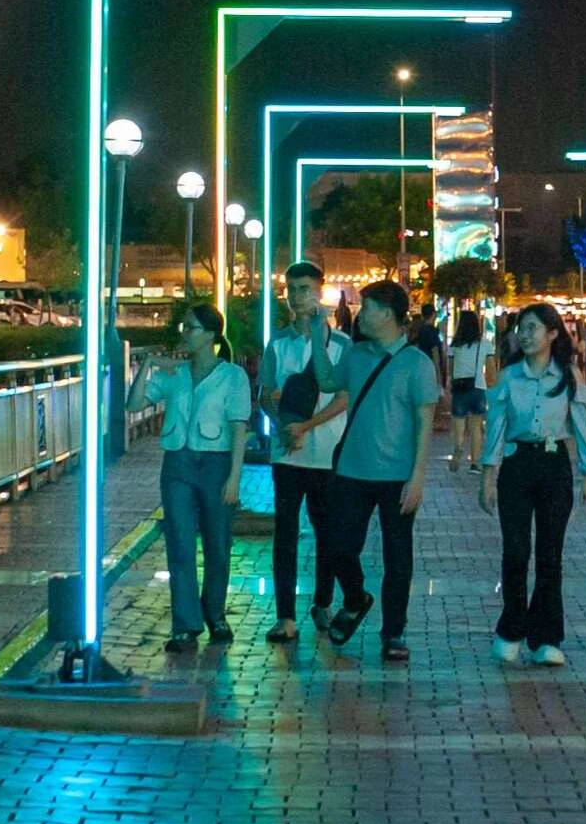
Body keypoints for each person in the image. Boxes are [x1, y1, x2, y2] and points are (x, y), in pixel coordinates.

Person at [307, 279, 440, 663]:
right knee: (338, 547)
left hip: (397, 476)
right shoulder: (356, 354)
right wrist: (319, 337)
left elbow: (424, 424)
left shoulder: (417, 364)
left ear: (387, 314)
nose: (361, 315)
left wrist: (418, 478)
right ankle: (355, 598)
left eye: (367, 308)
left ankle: (393, 632)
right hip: (352, 470)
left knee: (398, 558)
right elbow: (328, 381)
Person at [479, 303, 586, 668]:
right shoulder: (508, 377)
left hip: (554, 467)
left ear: (552, 334)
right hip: (517, 465)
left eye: (533, 328)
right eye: (521, 328)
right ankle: (511, 629)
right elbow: (496, 428)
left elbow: (582, 425)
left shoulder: (569, 376)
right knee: (515, 551)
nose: (525, 335)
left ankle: (546, 636)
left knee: (550, 555)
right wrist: (488, 475)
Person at [127, 304, 251, 652]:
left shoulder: (232, 376)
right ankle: (185, 624)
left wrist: (234, 479)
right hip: (178, 464)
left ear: (212, 335)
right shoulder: (175, 375)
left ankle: (215, 614)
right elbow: (133, 405)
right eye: (185, 326)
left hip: (216, 465)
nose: (185, 333)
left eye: (193, 328)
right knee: (179, 543)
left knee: (217, 543)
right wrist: (149, 366)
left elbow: (239, 428)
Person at [257, 262, 349, 644]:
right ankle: (285, 617)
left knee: (328, 532)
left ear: (320, 291)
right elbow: (264, 393)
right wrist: (281, 423)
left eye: (305, 288)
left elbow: (344, 397)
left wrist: (306, 427)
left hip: (327, 453)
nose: (298, 296)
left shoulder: (340, 344)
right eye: (292, 289)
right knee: (286, 533)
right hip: (287, 455)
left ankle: (323, 602)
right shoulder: (277, 343)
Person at [446, 311, 495, 475]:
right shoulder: (485, 344)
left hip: (459, 388)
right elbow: (490, 370)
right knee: (476, 429)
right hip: (478, 388)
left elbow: (450, 369)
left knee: (458, 425)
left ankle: (458, 448)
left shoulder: (454, 345)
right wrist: (493, 387)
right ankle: (475, 463)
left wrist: (449, 385)